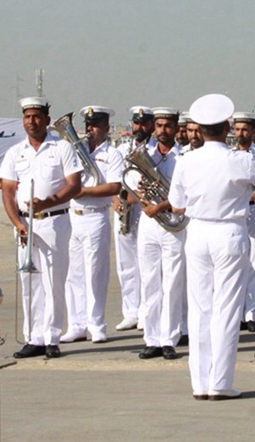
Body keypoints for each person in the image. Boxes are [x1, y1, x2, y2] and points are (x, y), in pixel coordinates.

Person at [168, 93, 255, 401]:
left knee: (200, 309)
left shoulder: (186, 160)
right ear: (226, 127)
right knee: (226, 308)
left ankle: (200, 383)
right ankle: (220, 382)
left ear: (199, 129)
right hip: (228, 232)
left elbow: (176, 203)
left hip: (197, 231)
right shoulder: (239, 159)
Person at [0, 97, 82, 359]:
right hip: (25, 224)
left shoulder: (62, 148)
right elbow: (8, 191)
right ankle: (33, 337)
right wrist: (18, 224)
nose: (32, 122)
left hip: (54, 220)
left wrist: (49, 201)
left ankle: (52, 337)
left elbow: (75, 185)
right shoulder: (15, 152)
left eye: (37, 117)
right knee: (30, 282)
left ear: (47, 120)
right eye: (27, 117)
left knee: (53, 281)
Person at [61, 106, 125, 344]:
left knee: (95, 273)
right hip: (73, 216)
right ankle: (76, 324)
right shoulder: (76, 150)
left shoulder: (113, 154)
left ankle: (96, 324)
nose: (90, 130)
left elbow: (114, 186)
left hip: (96, 215)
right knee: (73, 273)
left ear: (106, 128)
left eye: (96, 125)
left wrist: (85, 190)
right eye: (88, 125)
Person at [130, 106, 187, 361]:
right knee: (150, 281)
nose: (163, 131)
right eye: (160, 126)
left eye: (168, 126)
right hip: (149, 223)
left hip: (173, 222)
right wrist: (143, 197)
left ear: (176, 128)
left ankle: (169, 339)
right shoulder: (145, 154)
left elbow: (184, 192)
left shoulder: (185, 157)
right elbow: (131, 183)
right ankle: (151, 339)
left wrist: (160, 206)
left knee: (173, 282)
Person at [111, 106, 155, 332]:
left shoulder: (155, 149)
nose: (139, 127)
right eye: (136, 123)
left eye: (144, 123)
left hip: (146, 208)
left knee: (146, 263)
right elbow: (115, 178)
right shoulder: (121, 148)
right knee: (126, 264)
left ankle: (147, 312)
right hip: (125, 209)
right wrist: (115, 200)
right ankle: (130, 311)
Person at [233, 111, 255, 332]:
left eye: (245, 130)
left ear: (254, 132)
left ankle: (251, 313)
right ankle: (236, 313)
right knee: (236, 265)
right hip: (236, 214)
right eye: (237, 129)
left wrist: (244, 193)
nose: (240, 134)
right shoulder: (230, 155)